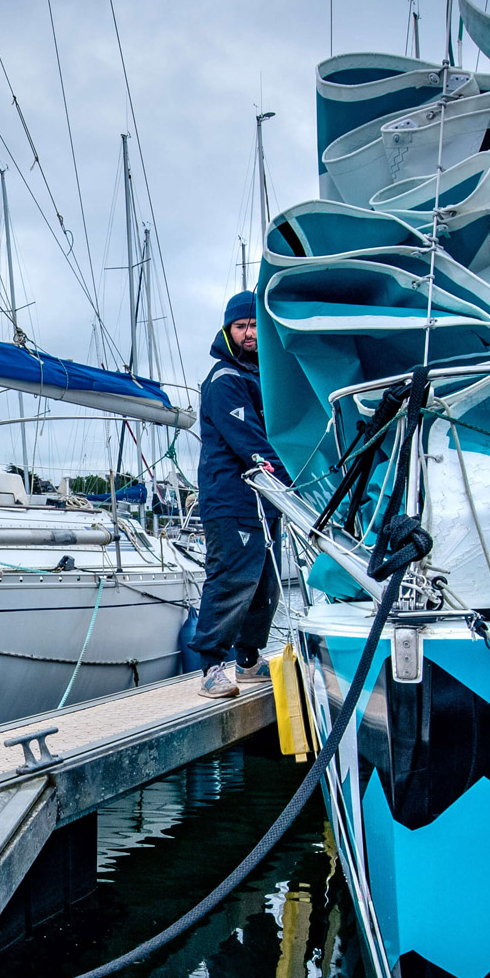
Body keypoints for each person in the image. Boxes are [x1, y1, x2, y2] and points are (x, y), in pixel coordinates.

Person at [187, 290, 289, 698]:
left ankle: (248, 661)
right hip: (232, 500)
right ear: (228, 331)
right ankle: (211, 666)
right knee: (232, 579)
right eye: (241, 327)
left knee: (266, 586)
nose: (248, 334)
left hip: (264, 503)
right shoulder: (225, 380)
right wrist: (288, 480)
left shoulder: (260, 378)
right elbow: (249, 440)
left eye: (253, 326)